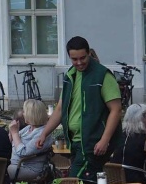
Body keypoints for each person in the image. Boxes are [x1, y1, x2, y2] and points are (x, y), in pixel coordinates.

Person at [37, 36, 122, 181]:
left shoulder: (102, 75)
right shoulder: (70, 75)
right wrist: (44, 133)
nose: (79, 63)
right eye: (74, 59)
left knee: (73, 180)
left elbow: (116, 110)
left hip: (93, 143)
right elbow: (60, 109)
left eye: (82, 58)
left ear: (89, 53)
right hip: (75, 143)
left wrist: (104, 139)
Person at [110, 103, 146, 184]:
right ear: (141, 118)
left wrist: (145, 155)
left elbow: (126, 151)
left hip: (114, 180)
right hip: (135, 181)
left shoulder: (119, 135)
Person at [8, 99, 54, 181]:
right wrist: (12, 134)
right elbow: (13, 142)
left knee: (1, 169)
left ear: (31, 114)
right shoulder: (29, 128)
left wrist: (15, 133)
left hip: (30, 169)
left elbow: (22, 152)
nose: (23, 114)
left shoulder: (43, 133)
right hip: (19, 165)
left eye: (25, 111)